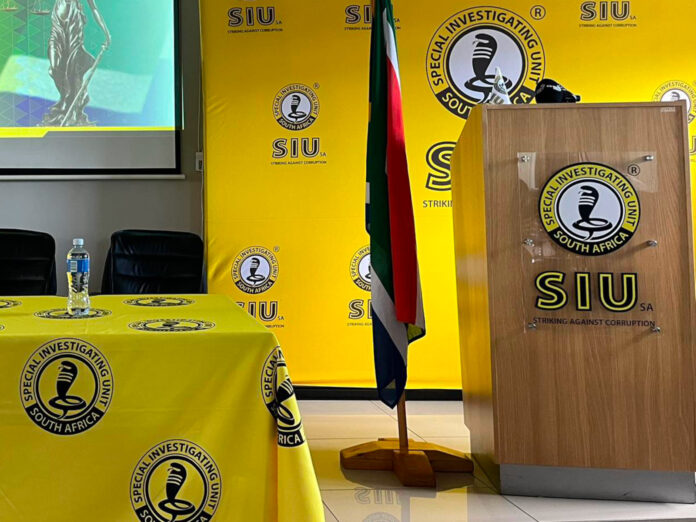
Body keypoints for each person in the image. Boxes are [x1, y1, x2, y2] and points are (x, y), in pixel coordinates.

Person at [42, 0, 110, 126]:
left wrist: (106, 33)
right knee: (55, 67)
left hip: (74, 27)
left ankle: (71, 108)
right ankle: (67, 98)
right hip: (57, 28)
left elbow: (94, 8)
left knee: (72, 72)